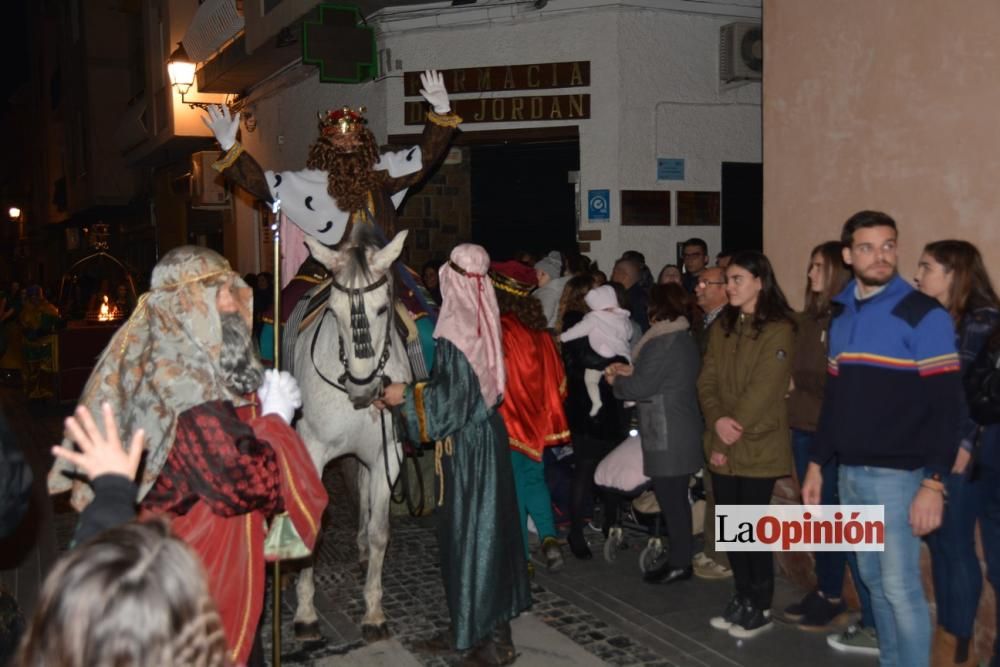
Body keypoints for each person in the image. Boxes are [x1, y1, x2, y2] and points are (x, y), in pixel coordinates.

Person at [47, 246, 327, 666]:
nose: (236, 304)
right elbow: (245, 481)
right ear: (190, 306)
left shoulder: (174, 356)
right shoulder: (185, 387)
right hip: (198, 569)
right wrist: (274, 422)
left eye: (235, 292)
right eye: (223, 295)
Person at [802, 211, 961, 667]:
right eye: (868, 247)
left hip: (899, 477)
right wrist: (817, 463)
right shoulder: (844, 311)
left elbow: (947, 406)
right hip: (850, 472)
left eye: (889, 245)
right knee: (872, 581)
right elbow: (835, 400)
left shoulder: (921, 314)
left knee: (898, 587)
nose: (881, 256)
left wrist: (934, 482)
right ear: (849, 255)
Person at [378, 244, 530, 666]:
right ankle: (479, 629)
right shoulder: (482, 316)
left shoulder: (458, 330)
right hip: (485, 440)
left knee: (472, 538)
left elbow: (450, 403)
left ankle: (484, 641)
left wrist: (402, 396)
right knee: (487, 536)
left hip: (468, 450)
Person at [784, 242, 877, 646]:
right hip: (805, 429)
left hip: (834, 436)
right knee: (821, 521)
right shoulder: (808, 321)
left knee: (847, 526)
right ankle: (828, 592)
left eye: (817, 267)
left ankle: (872, 618)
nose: (810, 275)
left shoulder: (847, 320)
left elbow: (838, 382)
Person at [699, 250, 796, 639]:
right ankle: (741, 596)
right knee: (730, 527)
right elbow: (706, 380)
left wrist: (729, 430)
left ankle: (761, 603)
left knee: (750, 530)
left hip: (755, 443)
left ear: (759, 281)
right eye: (729, 279)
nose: (730, 286)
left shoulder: (778, 327)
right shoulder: (723, 325)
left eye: (737, 279)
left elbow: (764, 389)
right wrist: (716, 420)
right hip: (723, 438)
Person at [914, 240, 1000, 667]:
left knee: (955, 545)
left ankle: (958, 646)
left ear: (953, 274)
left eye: (926, 267)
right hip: (940, 447)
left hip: (966, 454)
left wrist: (962, 445)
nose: (918, 275)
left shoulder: (981, 321)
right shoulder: (941, 319)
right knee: (942, 544)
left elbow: (964, 393)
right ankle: (950, 639)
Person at [607, 283, 703, 585]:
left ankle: (679, 563)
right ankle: (680, 558)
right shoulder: (679, 337)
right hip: (675, 426)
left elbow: (640, 387)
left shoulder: (663, 341)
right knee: (675, 499)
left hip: (667, 429)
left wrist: (615, 382)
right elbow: (655, 377)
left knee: (671, 500)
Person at [490, 260, 570, 573]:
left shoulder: (500, 329)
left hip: (508, 419)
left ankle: (522, 557)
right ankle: (548, 537)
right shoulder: (541, 332)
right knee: (534, 479)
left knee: (514, 487)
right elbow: (558, 383)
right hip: (537, 422)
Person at [558, 276, 627, 560]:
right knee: (585, 470)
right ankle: (576, 531)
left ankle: (612, 523)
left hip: (612, 405)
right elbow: (577, 360)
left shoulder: (611, 321)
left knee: (613, 469)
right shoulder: (578, 322)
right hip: (587, 409)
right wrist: (614, 364)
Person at [688, 265, 732, 580]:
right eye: (698, 282)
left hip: (725, 418)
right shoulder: (705, 322)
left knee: (728, 489)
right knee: (713, 487)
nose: (698, 288)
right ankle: (713, 548)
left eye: (706, 283)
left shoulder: (728, 324)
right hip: (708, 414)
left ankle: (729, 559)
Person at [559, 285, 633, 417]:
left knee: (591, 381)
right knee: (624, 376)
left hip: (601, 351)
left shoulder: (593, 317)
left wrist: (562, 337)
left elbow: (578, 331)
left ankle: (596, 401)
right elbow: (629, 335)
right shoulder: (623, 318)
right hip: (622, 353)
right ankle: (630, 398)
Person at [611, 257, 649, 331]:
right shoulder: (642, 295)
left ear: (623, 275)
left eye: (614, 272)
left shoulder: (630, 300)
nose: (612, 276)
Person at [534, 251, 570, 329]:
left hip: (545, 331)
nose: (538, 277)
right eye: (537, 273)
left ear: (553, 276)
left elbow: (544, 318)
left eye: (543, 274)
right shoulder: (548, 290)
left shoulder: (549, 292)